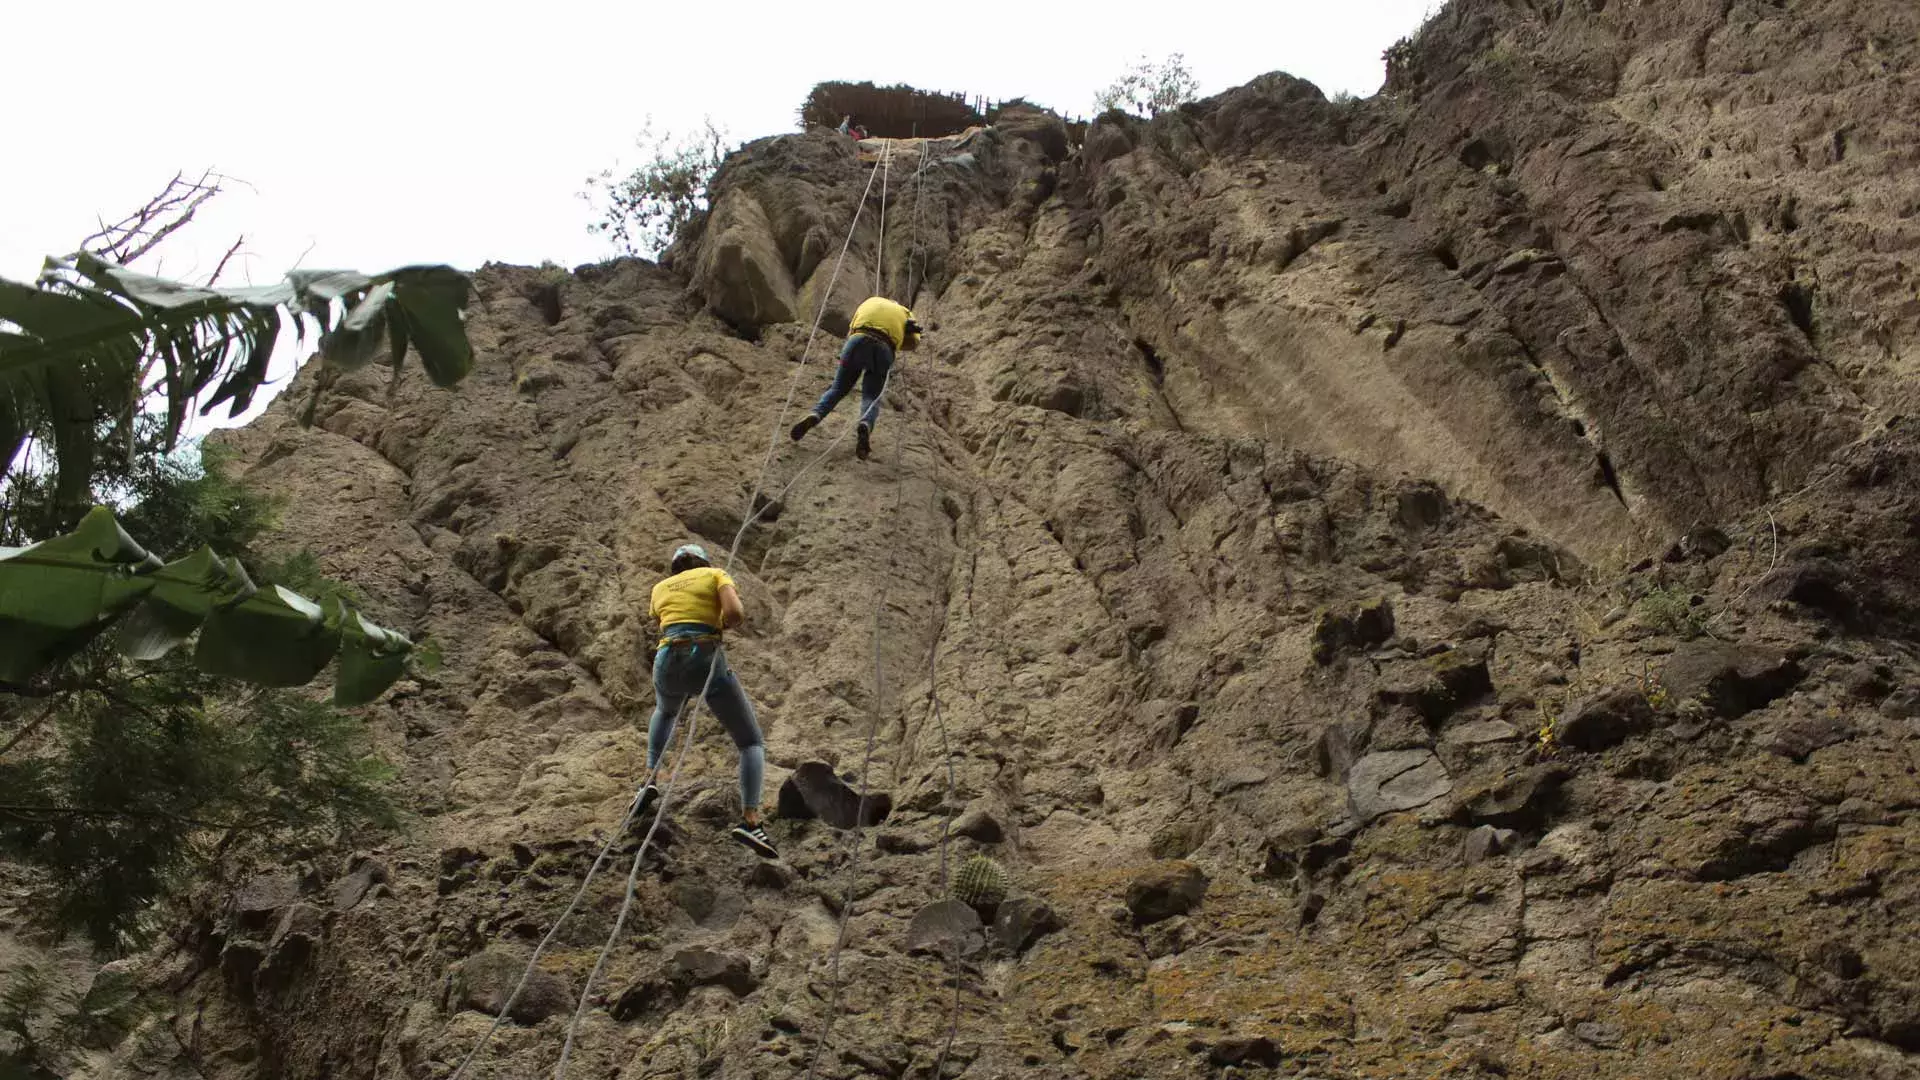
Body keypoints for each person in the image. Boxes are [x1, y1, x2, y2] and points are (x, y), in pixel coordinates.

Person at [631, 542, 777, 858]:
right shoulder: (715, 574)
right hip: (703, 654)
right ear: (703, 561)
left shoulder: (659, 588)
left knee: (666, 711)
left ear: (676, 567)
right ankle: (751, 822)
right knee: (751, 743)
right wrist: (719, 624)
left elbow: (665, 623)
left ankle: (649, 779)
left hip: (666, 658)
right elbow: (736, 614)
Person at [789, 296, 921, 460]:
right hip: (884, 348)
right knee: (871, 396)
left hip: (857, 340)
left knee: (838, 389)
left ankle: (816, 414)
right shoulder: (905, 313)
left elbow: (852, 328)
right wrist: (902, 332)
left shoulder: (869, 301)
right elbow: (914, 343)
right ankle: (865, 424)